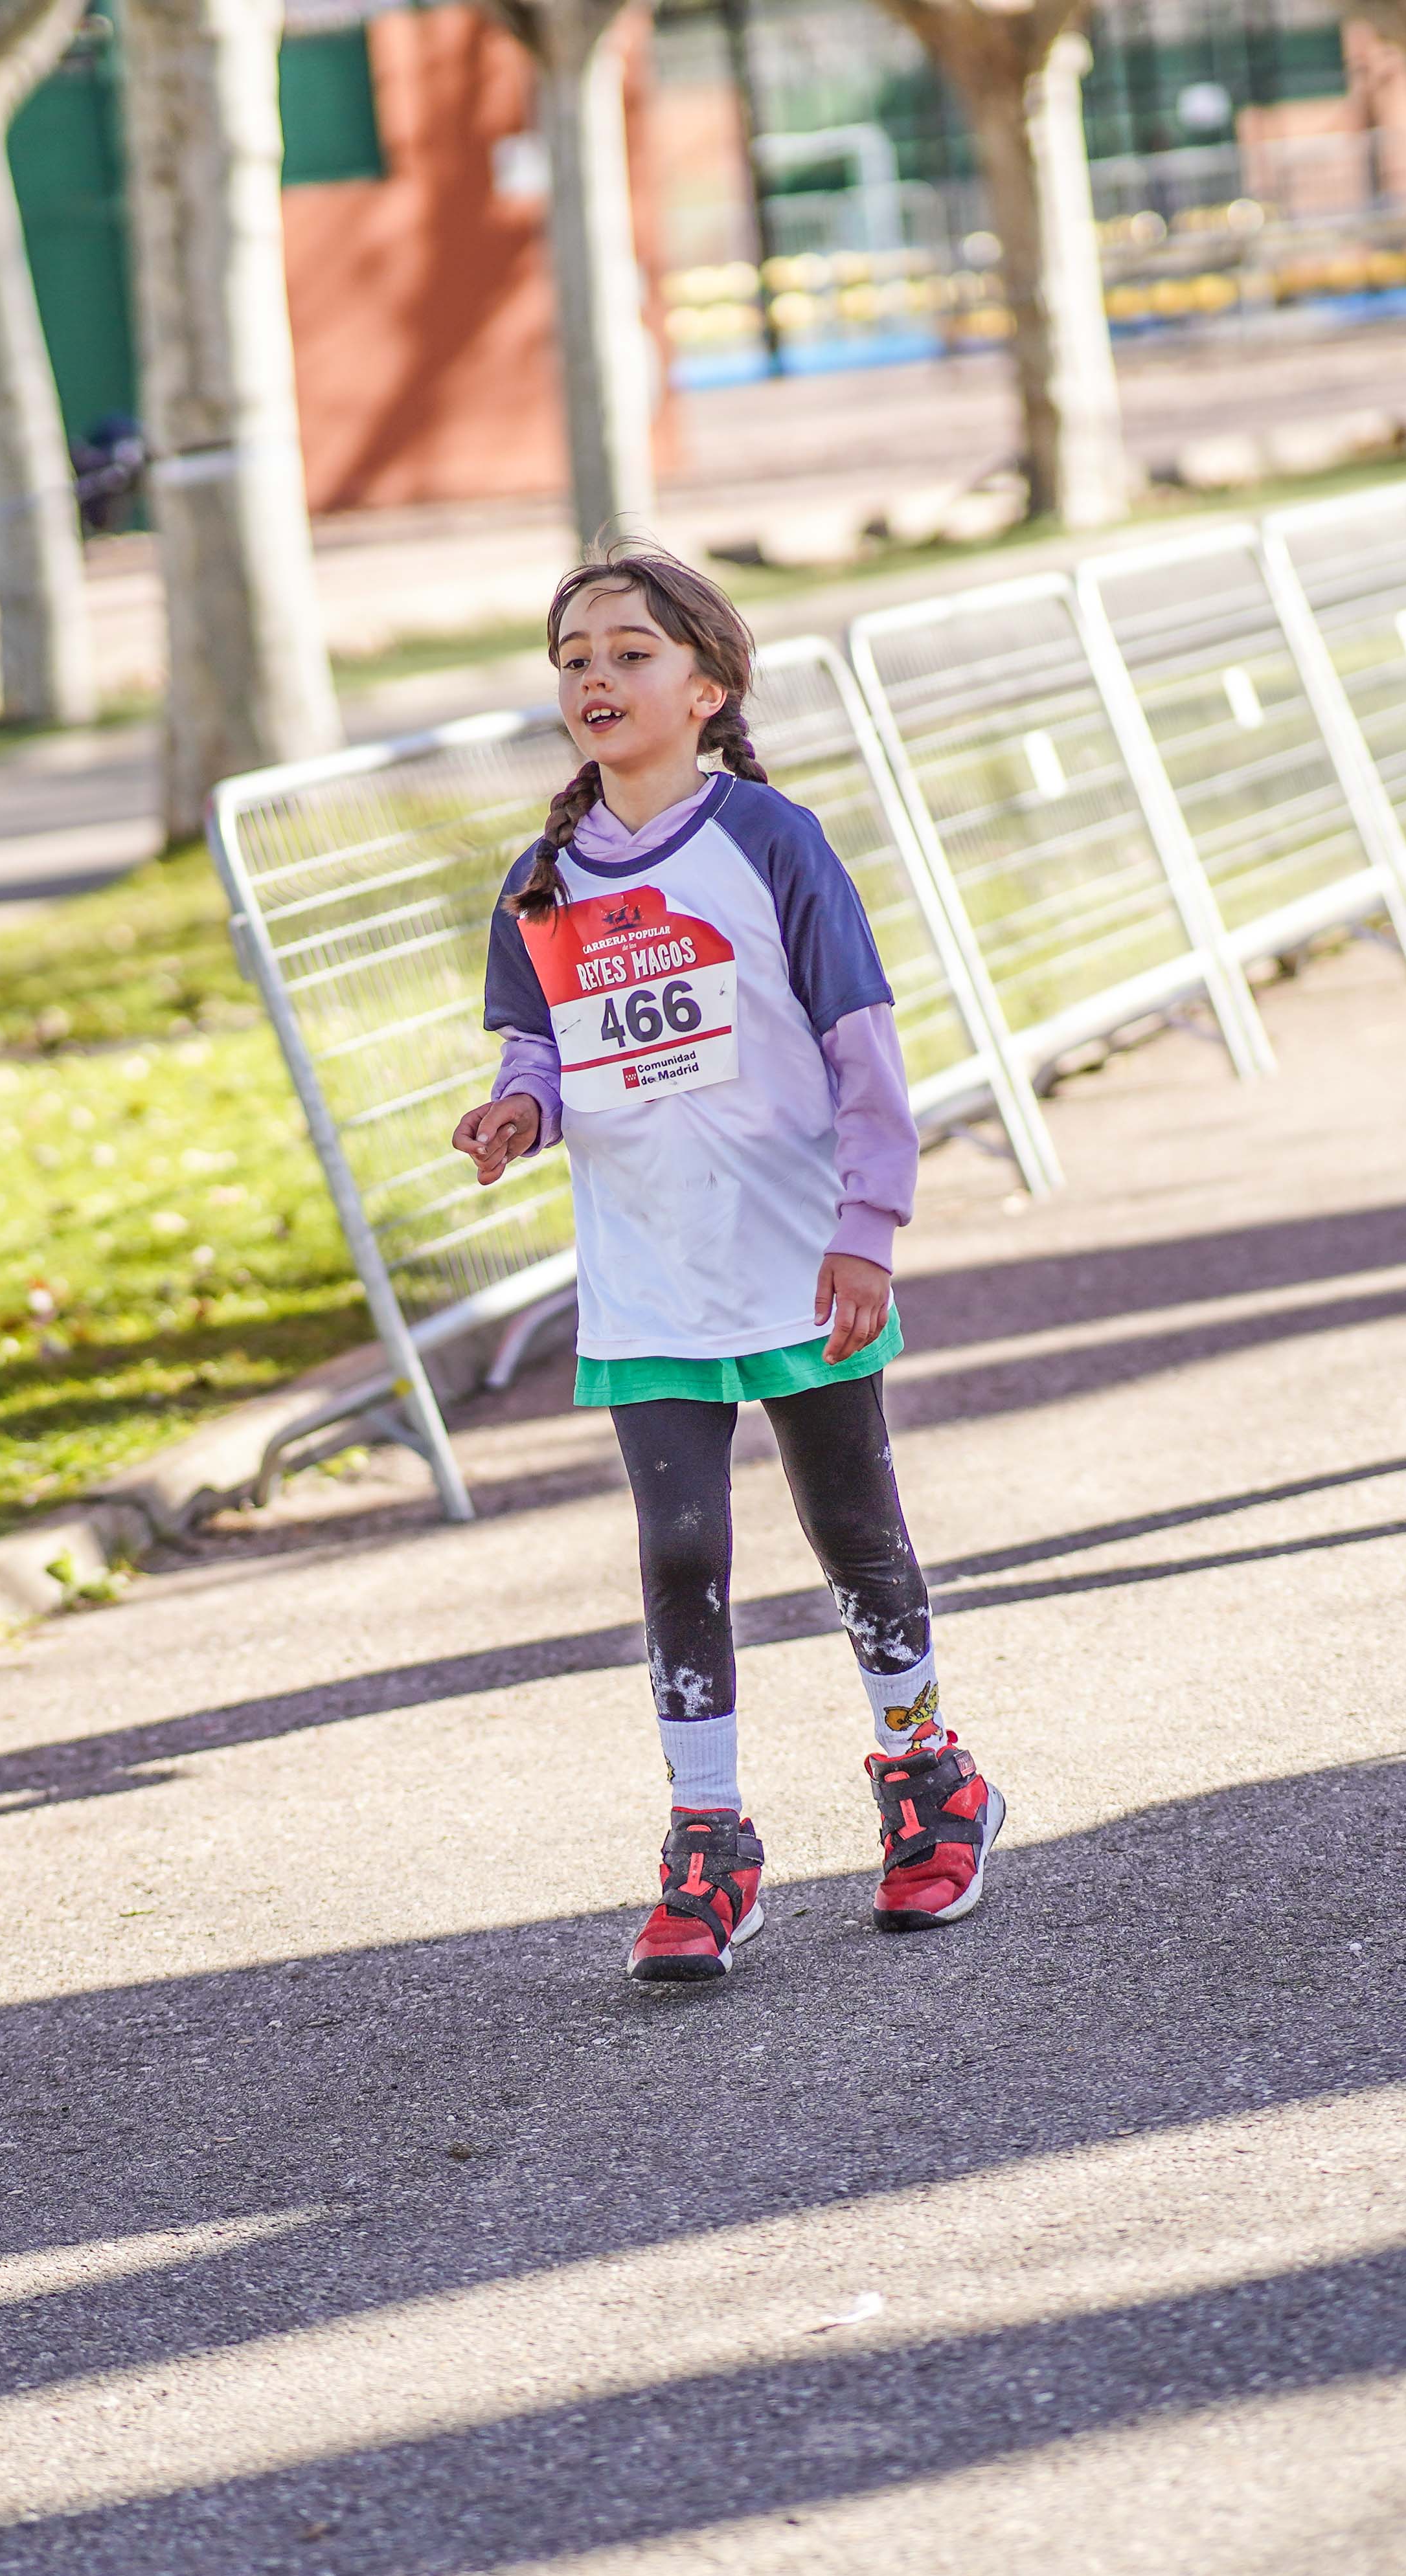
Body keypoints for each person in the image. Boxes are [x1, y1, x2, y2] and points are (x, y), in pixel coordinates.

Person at [449, 547, 1004, 1984]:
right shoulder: (544, 874)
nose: (594, 676)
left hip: (800, 1257)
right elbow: (538, 1042)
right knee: (682, 1553)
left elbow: (860, 1041)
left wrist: (867, 1225)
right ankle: (709, 1841)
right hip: (647, 1272)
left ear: (706, 688)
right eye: (573, 654)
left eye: (629, 652)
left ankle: (929, 1777)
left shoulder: (768, 839)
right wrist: (522, 1109)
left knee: (853, 1529)